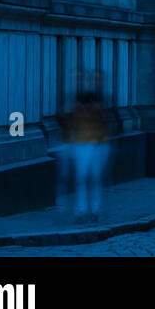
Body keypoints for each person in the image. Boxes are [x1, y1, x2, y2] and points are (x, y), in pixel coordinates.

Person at [67, 88, 109, 225]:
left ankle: (87, 211)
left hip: (88, 147)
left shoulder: (85, 112)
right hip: (87, 147)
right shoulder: (86, 112)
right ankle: (87, 211)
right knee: (88, 180)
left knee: (88, 180)